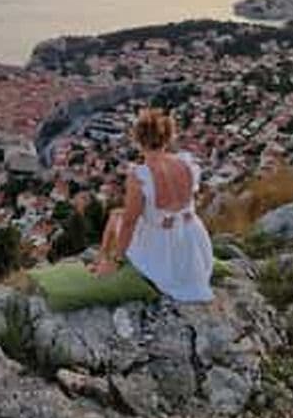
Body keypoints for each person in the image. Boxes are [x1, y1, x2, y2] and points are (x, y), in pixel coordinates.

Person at [89, 108, 213, 302]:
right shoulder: (187, 163)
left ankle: (104, 261)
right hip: (194, 243)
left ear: (138, 140)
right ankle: (103, 259)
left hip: (164, 251)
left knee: (116, 216)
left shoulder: (140, 176)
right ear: (168, 137)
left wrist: (118, 259)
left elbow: (130, 222)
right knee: (122, 214)